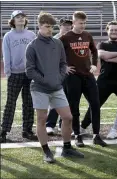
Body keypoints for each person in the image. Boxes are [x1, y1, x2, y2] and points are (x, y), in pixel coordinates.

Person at [26, 12, 84, 163]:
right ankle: (46, 152)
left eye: (51, 27)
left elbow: (63, 64)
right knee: (42, 119)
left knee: (68, 117)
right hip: (39, 88)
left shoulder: (57, 43)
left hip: (56, 87)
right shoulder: (32, 46)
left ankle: (67, 148)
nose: (49, 30)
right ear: (39, 26)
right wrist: (45, 80)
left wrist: (59, 78)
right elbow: (30, 70)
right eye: (46, 27)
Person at [60, 11, 107, 147]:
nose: (83, 25)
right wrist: (64, 67)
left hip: (88, 75)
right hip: (73, 77)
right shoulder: (65, 38)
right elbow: (57, 54)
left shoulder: (87, 35)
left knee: (95, 104)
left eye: (85, 23)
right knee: (74, 106)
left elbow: (94, 51)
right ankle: (77, 135)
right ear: (74, 22)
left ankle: (96, 135)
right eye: (80, 23)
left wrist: (93, 64)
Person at [80, 20, 117, 136]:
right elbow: (101, 55)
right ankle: (83, 127)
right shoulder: (102, 44)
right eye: (111, 29)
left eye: (116, 30)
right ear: (107, 31)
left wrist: (112, 56)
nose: (114, 31)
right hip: (104, 80)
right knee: (95, 105)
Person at [0, 10, 37, 143]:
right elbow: (6, 54)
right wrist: (8, 71)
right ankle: (3, 131)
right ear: (13, 20)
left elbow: (35, 54)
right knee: (10, 103)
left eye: (22, 17)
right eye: (18, 17)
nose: (21, 19)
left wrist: (34, 71)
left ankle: (27, 130)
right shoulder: (8, 36)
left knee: (29, 103)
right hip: (15, 74)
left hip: (29, 74)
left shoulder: (32, 35)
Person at [46, 16, 73, 135]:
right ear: (59, 26)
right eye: (64, 25)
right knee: (55, 99)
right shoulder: (54, 39)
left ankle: (63, 124)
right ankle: (50, 124)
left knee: (69, 100)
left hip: (72, 73)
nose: (67, 27)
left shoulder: (74, 38)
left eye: (69, 25)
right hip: (58, 74)